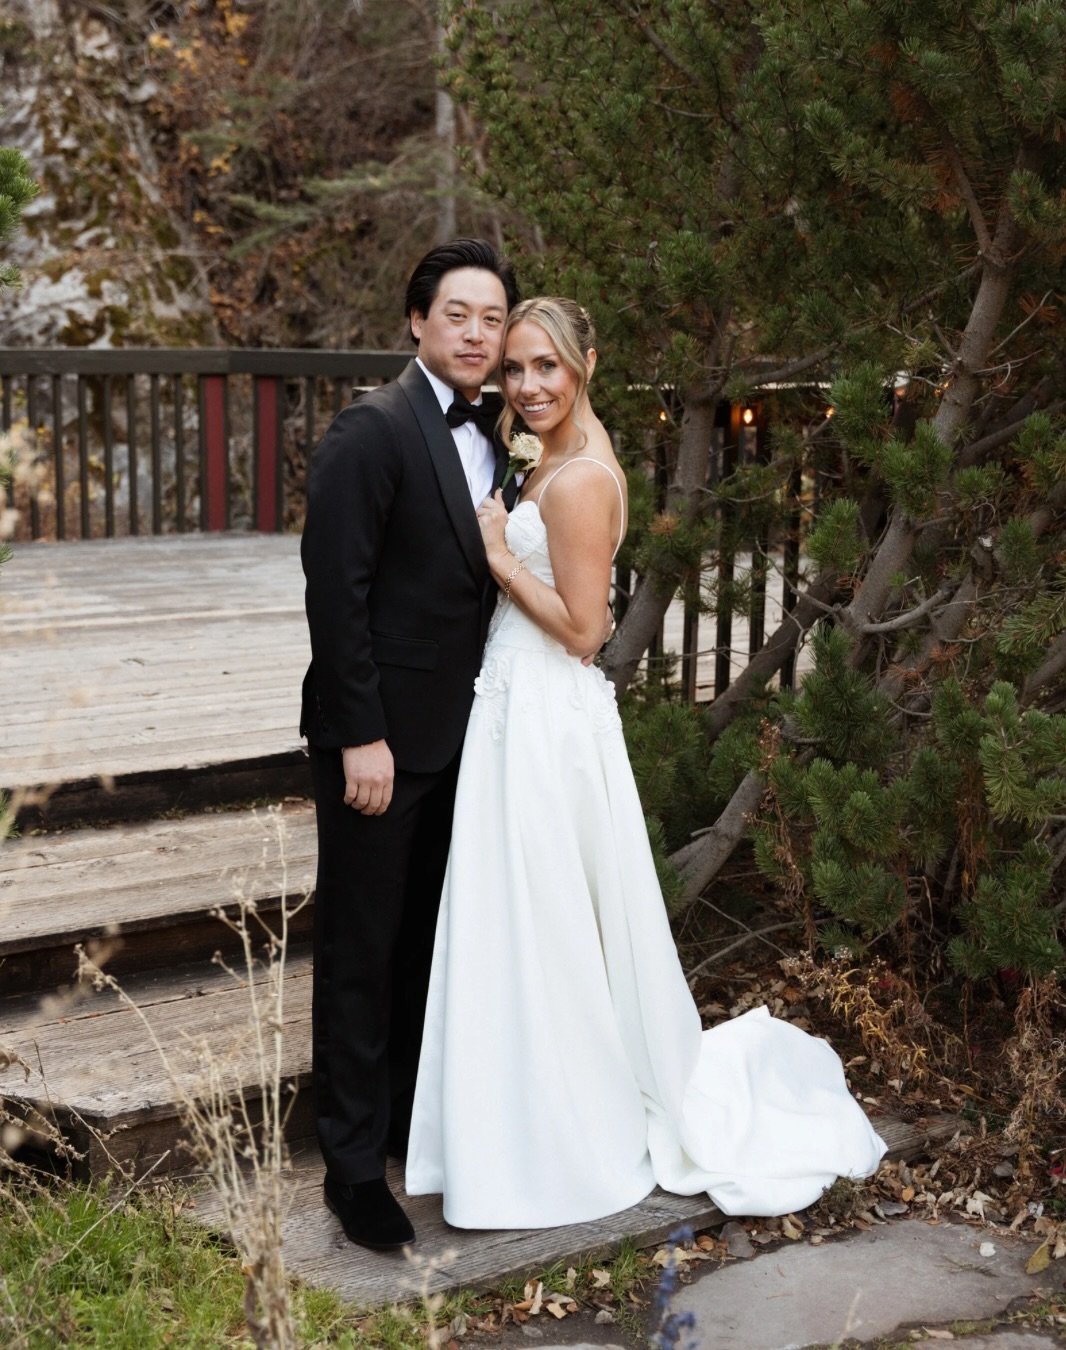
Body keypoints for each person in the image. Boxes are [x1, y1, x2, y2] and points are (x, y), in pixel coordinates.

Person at [405, 297, 887, 1229]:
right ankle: (512, 1121)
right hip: (519, 709)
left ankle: (560, 1134)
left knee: (541, 913)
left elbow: (586, 632)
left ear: (587, 361)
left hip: (545, 714)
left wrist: (500, 557)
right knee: (525, 915)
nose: (527, 385)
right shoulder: (548, 457)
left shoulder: (581, 479)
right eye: (514, 369)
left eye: (546, 365)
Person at [300, 238, 519, 1251]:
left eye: (492, 318)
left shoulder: (507, 433)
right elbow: (334, 597)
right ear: (417, 323)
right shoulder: (372, 430)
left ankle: (396, 1129)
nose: (477, 332)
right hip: (382, 746)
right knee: (360, 950)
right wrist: (362, 738)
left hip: (464, 740)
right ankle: (351, 1171)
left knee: (425, 948)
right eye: (459, 314)